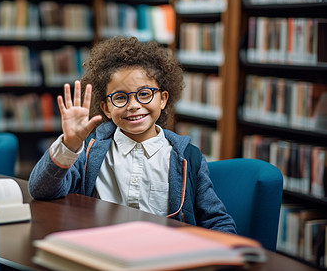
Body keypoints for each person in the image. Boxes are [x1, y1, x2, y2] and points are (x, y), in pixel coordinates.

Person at [28, 37, 236, 233]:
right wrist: (69, 145)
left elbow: (217, 221)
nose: (134, 106)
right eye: (120, 98)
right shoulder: (90, 150)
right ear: (106, 108)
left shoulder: (188, 158)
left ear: (163, 99)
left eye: (144, 94)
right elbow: (40, 189)